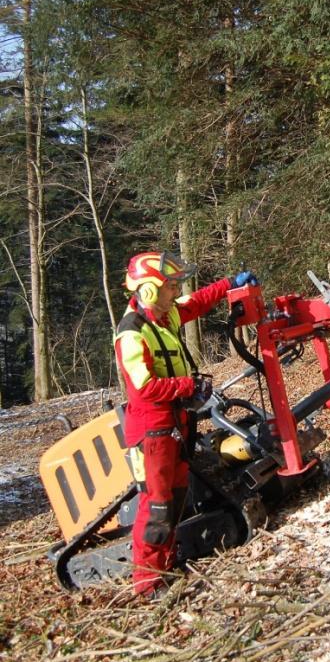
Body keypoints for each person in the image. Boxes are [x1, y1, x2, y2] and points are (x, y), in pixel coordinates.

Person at [114, 251, 256, 599]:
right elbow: (145, 389)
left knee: (176, 501)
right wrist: (188, 387)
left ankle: (165, 565)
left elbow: (196, 302)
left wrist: (229, 285)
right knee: (157, 507)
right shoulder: (131, 333)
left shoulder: (165, 315)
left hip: (176, 425)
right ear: (148, 290)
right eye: (170, 285)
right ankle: (147, 584)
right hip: (153, 431)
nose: (176, 291)